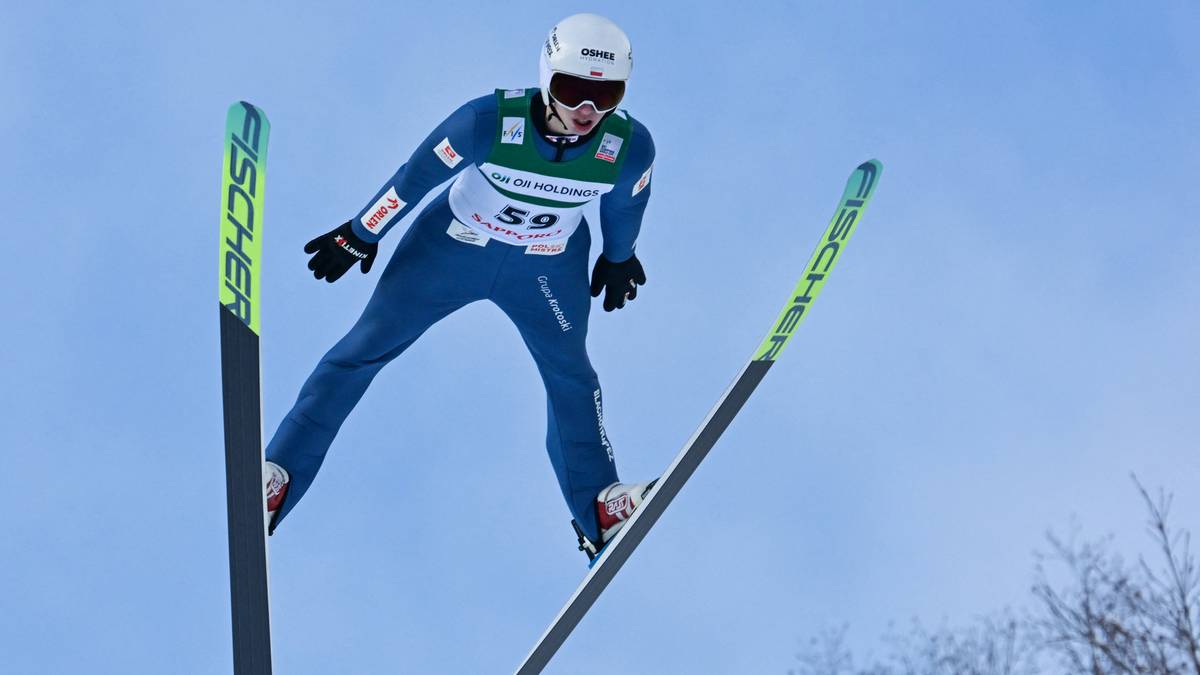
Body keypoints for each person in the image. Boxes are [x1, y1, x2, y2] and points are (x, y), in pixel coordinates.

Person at [263, 13, 658, 560]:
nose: (587, 110)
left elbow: (626, 205)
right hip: (450, 250)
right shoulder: (485, 122)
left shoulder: (629, 147)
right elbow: (414, 177)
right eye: (573, 91)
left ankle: (599, 509)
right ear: (547, 78)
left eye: (606, 95)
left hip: (546, 269)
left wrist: (619, 257)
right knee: (362, 350)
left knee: (572, 376)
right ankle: (277, 475)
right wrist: (361, 232)